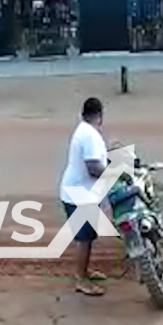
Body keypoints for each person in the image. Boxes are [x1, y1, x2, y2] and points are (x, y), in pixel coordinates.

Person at [59, 97, 113, 297]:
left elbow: (97, 159)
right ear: (100, 115)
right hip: (78, 195)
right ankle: (81, 280)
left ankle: (84, 272)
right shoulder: (89, 135)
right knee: (84, 239)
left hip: (80, 193)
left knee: (88, 237)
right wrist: (114, 175)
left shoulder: (85, 131)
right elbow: (93, 167)